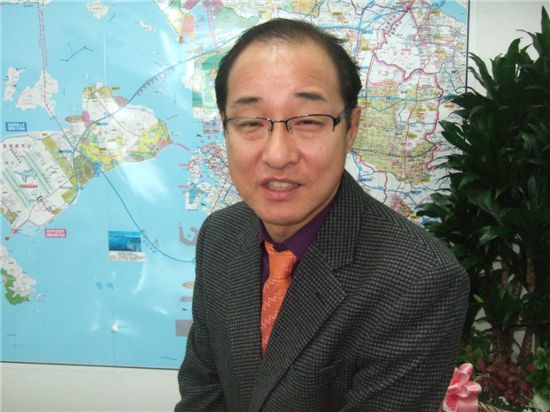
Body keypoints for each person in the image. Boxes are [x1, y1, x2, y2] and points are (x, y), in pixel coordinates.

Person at [175, 18, 469, 411]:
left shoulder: (419, 280)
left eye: (309, 121)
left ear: (351, 128)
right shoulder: (220, 233)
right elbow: (203, 391)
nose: (277, 155)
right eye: (250, 123)